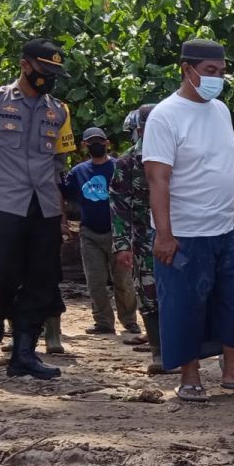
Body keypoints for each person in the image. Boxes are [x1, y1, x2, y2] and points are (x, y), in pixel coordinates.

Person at [143, 38, 234, 401]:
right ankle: (190, 377)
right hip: (184, 232)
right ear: (187, 71)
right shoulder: (165, 116)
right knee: (186, 305)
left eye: (221, 71)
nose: (218, 78)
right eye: (210, 72)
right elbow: (158, 178)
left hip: (225, 228)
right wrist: (164, 235)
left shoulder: (221, 111)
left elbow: (226, 164)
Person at [0, 38, 73, 379]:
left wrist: (60, 211)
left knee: (43, 280)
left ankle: (25, 352)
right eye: (44, 70)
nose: (49, 78)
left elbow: (58, 163)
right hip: (7, 204)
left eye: (55, 73)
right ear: (25, 64)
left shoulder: (58, 110)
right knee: (0, 274)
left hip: (44, 208)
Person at [112, 104, 176, 375]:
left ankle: (182, 350)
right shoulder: (127, 163)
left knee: (180, 293)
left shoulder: (179, 155)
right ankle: (159, 352)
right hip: (143, 241)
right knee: (149, 294)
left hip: (179, 236)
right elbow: (119, 207)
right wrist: (122, 245)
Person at [64, 126, 140, 336]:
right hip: (89, 232)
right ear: (84, 145)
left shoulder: (120, 167)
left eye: (100, 141)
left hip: (118, 232)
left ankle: (129, 320)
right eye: (91, 142)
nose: (96, 145)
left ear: (107, 143)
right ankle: (103, 322)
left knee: (123, 281)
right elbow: (62, 194)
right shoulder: (78, 172)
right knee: (95, 280)